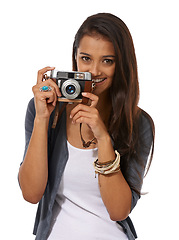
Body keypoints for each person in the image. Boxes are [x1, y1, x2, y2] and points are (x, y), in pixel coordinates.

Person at [18, 13, 155, 240]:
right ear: (75, 57)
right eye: (86, 58)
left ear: (122, 64)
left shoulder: (137, 123)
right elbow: (31, 193)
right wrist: (42, 119)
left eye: (107, 61)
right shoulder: (47, 110)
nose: (94, 71)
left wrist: (103, 138)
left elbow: (119, 211)